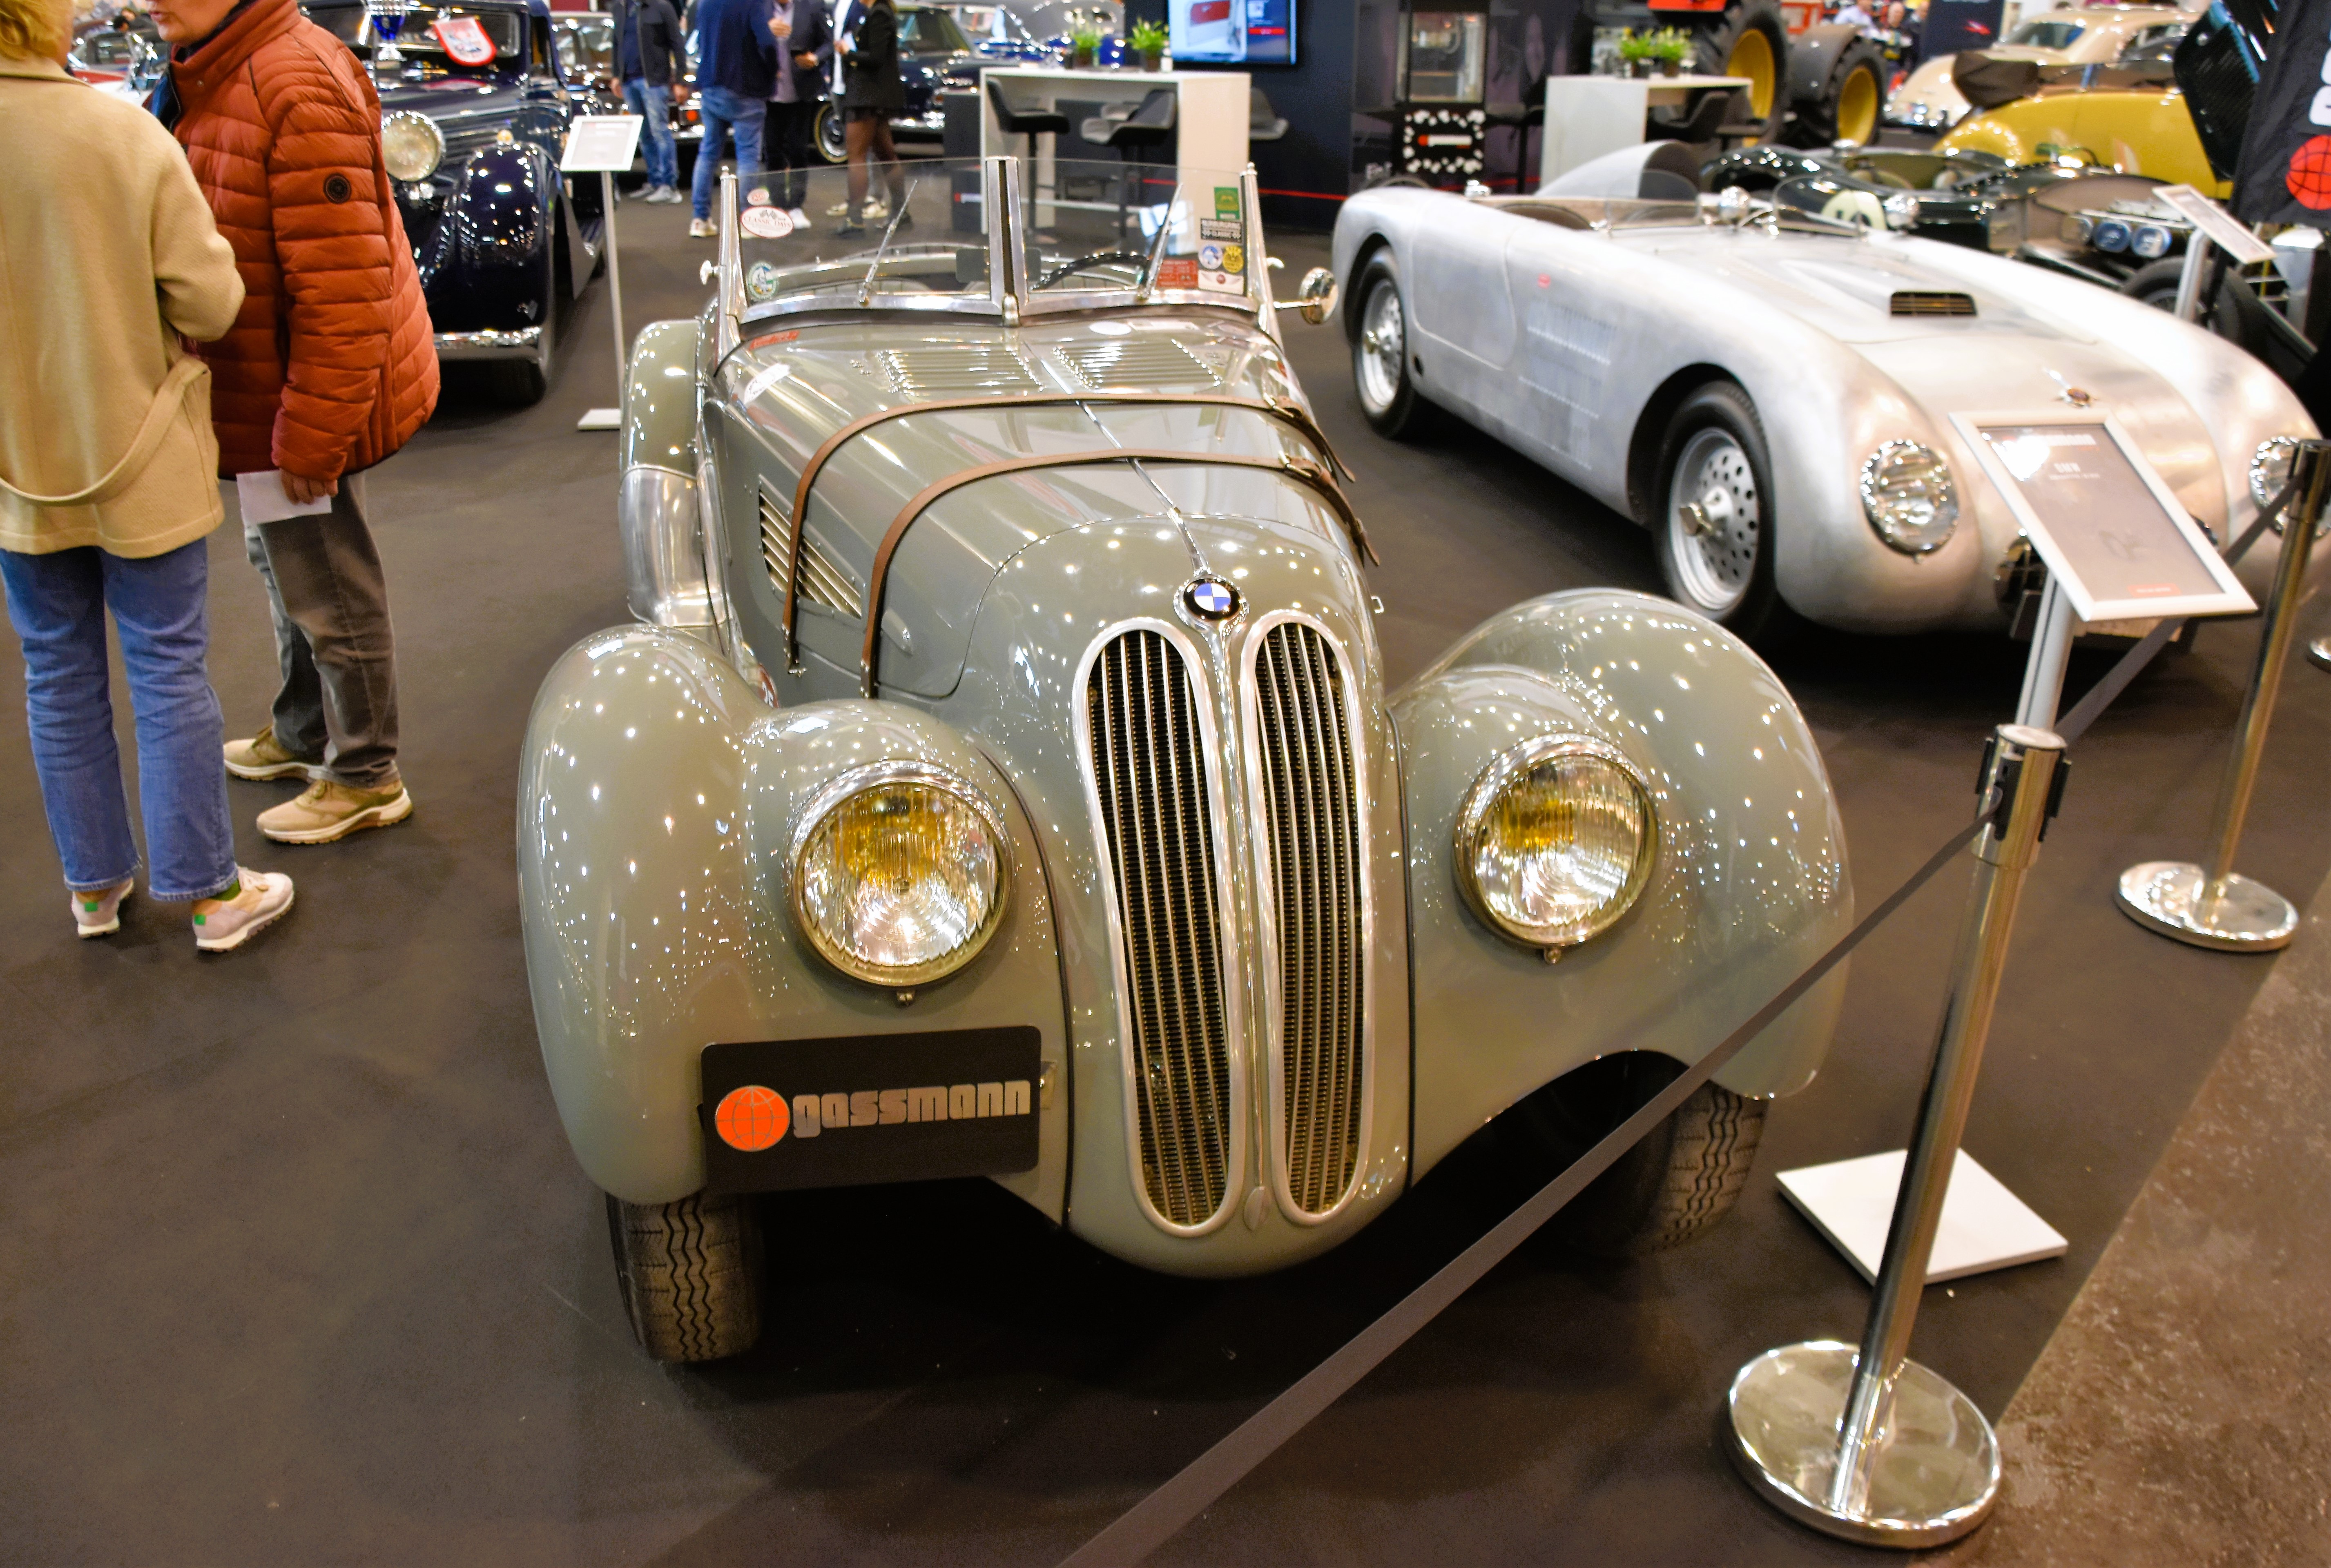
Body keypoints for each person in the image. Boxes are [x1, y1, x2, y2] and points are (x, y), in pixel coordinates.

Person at [0, 0, 293, 950]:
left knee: (55, 668)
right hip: (138, 448)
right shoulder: (117, 131)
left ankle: (94, 887)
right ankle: (210, 895)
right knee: (167, 663)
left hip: (17, 468)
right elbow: (211, 297)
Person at [148, 0, 436, 846]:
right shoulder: (225, 63)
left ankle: (365, 774)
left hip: (295, 399)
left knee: (328, 581)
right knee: (287, 567)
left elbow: (344, 285)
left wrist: (312, 435)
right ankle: (304, 731)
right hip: (263, 392)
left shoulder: (291, 79)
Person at [688, 0, 775, 238]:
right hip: (747, 88)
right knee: (748, 156)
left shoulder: (704, 4)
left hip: (711, 85)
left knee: (708, 154)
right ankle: (747, 220)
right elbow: (767, 42)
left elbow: (697, 41)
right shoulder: (753, 4)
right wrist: (772, 73)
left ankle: (700, 219)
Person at [835, 0, 906, 235]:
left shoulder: (879, 14)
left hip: (868, 96)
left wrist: (849, 53)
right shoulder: (877, 13)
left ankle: (855, 220)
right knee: (886, 154)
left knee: (856, 155)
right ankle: (901, 212)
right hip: (872, 95)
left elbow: (875, 58)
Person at [611, 0, 688, 203]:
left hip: (653, 81)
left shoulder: (661, 7)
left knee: (660, 132)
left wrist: (680, 79)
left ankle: (669, 185)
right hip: (629, 81)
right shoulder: (620, 8)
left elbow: (677, 43)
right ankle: (655, 181)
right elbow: (616, 43)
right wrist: (616, 75)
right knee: (644, 135)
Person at [762, 0, 829, 230]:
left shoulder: (811, 6)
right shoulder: (760, 8)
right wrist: (765, 28)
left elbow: (828, 43)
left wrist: (815, 58)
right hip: (769, 92)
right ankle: (778, 204)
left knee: (798, 149)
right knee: (772, 150)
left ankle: (796, 205)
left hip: (801, 90)